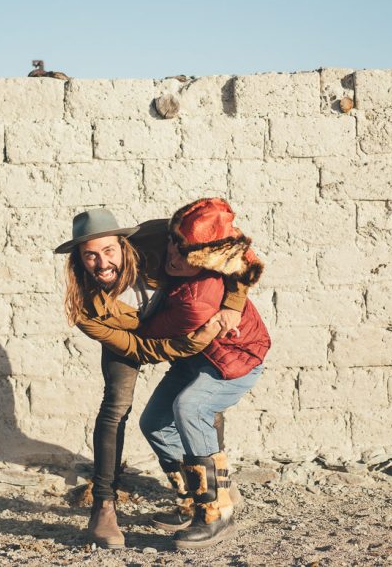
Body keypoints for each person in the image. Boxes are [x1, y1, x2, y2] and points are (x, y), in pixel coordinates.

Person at [55, 208, 248, 549]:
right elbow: (138, 349)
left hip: (181, 317)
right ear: (79, 261)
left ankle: (216, 492)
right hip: (141, 337)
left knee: (199, 396)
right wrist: (190, 342)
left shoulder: (161, 238)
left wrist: (232, 303)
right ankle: (104, 507)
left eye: (108, 251)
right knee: (115, 407)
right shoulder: (87, 308)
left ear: (123, 243)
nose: (102, 264)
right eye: (90, 256)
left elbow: (234, 250)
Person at [107, 198, 270, 549]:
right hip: (194, 359)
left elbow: (149, 332)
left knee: (190, 408)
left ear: (206, 261)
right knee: (154, 424)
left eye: (186, 257)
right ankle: (197, 496)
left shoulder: (196, 302)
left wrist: (106, 321)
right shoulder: (168, 236)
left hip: (234, 360)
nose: (174, 257)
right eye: (174, 245)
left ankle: (215, 514)